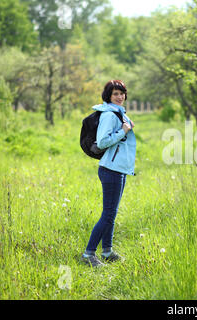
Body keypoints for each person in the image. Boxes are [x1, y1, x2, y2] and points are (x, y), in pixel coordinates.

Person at [81, 80, 136, 267]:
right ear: (108, 96)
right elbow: (102, 141)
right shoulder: (110, 115)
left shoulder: (119, 113)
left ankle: (107, 251)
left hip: (118, 168)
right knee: (108, 214)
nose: (120, 97)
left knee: (111, 213)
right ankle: (89, 254)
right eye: (115, 94)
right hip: (111, 170)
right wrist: (123, 131)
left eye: (122, 93)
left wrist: (125, 126)